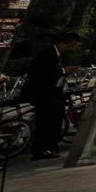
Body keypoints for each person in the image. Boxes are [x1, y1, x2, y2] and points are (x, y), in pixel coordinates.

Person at [23, 32, 75, 160]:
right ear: (64, 43)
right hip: (43, 93)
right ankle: (41, 148)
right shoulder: (47, 54)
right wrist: (63, 71)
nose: (71, 49)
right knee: (46, 121)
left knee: (55, 117)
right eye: (70, 46)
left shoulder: (57, 55)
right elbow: (42, 73)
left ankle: (50, 146)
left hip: (52, 92)